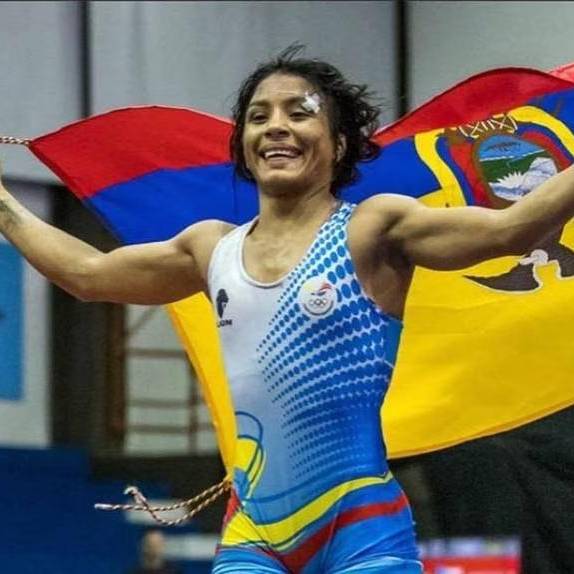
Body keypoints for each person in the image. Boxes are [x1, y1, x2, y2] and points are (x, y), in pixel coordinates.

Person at [1, 47, 574, 573]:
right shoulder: (210, 248)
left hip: (362, 529)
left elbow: (510, 230)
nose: (276, 125)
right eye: (259, 116)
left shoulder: (373, 228)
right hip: (254, 535)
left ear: (339, 143)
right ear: (244, 148)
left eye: (299, 113)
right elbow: (87, 274)